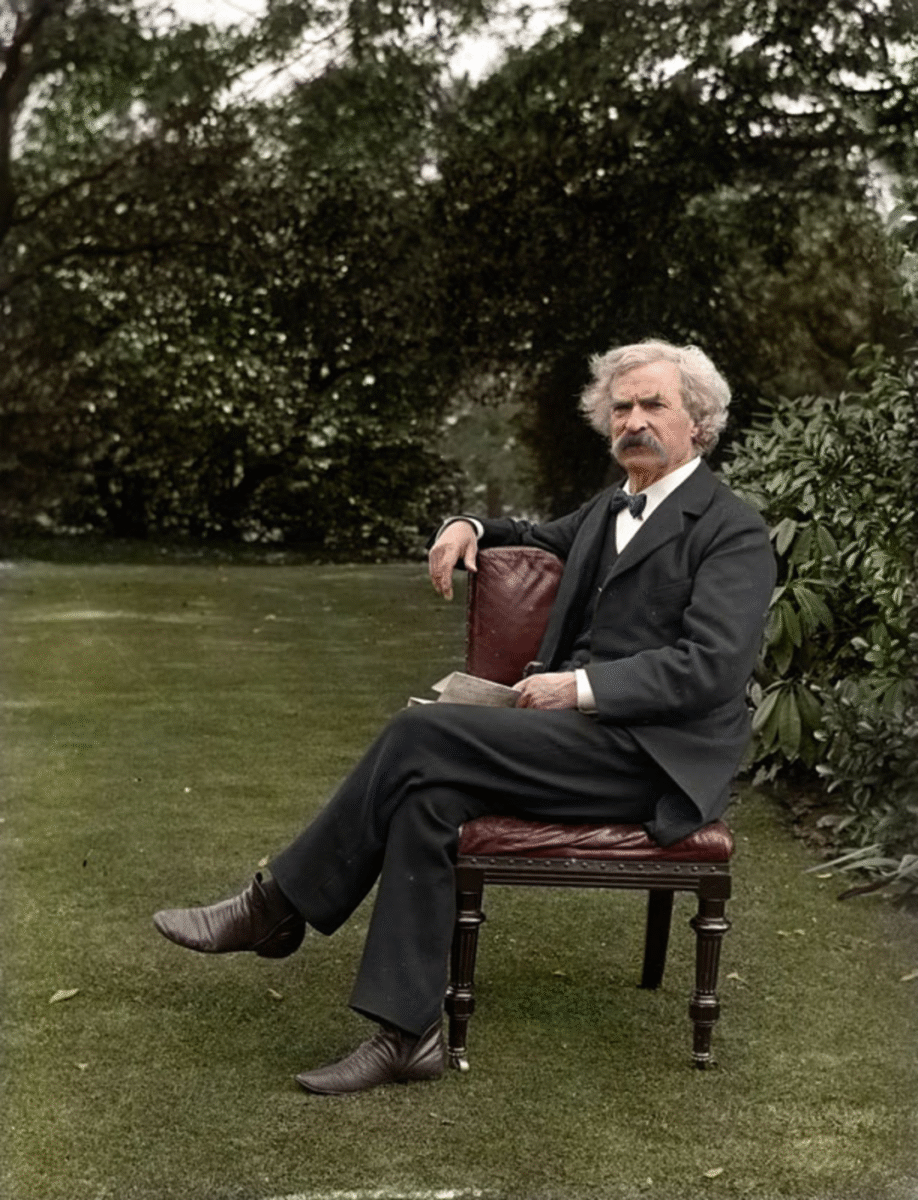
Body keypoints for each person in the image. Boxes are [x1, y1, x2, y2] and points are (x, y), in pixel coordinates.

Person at [153, 338, 776, 1096]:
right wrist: (469, 526)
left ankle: (275, 906)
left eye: (654, 405)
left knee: (420, 733)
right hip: (574, 744)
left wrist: (579, 686)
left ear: (698, 424)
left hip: (649, 759)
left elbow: (710, 667)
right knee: (427, 798)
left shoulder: (732, 530)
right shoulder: (609, 508)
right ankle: (407, 1036)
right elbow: (533, 536)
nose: (634, 420)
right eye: (622, 407)